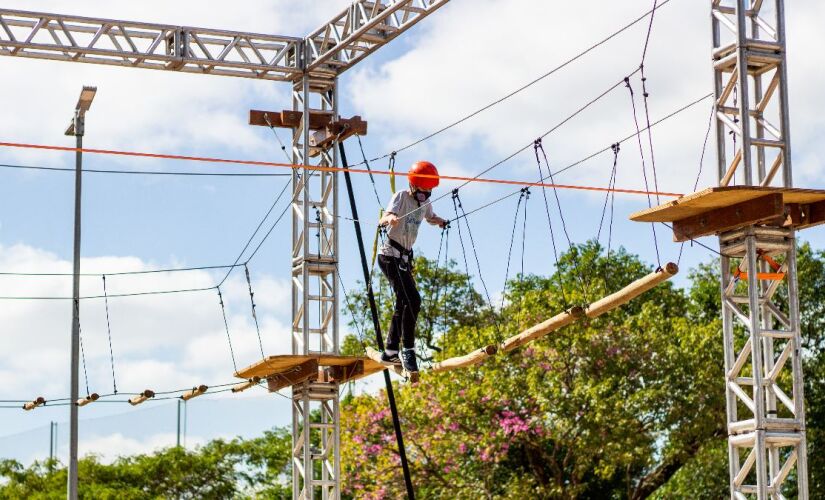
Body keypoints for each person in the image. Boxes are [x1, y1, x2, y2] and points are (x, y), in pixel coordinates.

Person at [378, 161, 448, 375]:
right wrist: (390, 219)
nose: (425, 196)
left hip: (405, 259)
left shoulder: (425, 203)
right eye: (422, 191)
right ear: (413, 186)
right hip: (390, 256)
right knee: (413, 300)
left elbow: (429, 217)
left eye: (429, 192)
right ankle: (408, 348)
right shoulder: (401, 196)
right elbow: (385, 217)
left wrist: (439, 221)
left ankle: (390, 350)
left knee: (404, 302)